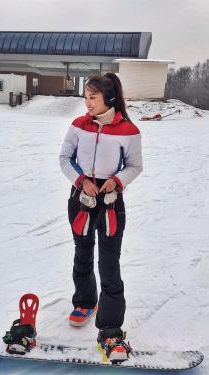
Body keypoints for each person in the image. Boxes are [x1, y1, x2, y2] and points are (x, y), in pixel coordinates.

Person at [59, 73, 143, 362]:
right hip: (81, 199)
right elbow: (64, 158)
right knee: (82, 252)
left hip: (110, 202)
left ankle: (110, 327)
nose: (87, 103)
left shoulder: (128, 130)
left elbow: (134, 166)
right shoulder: (78, 126)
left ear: (108, 98)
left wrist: (117, 182)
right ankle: (84, 301)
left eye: (92, 97)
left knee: (109, 261)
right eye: (85, 97)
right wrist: (81, 180)